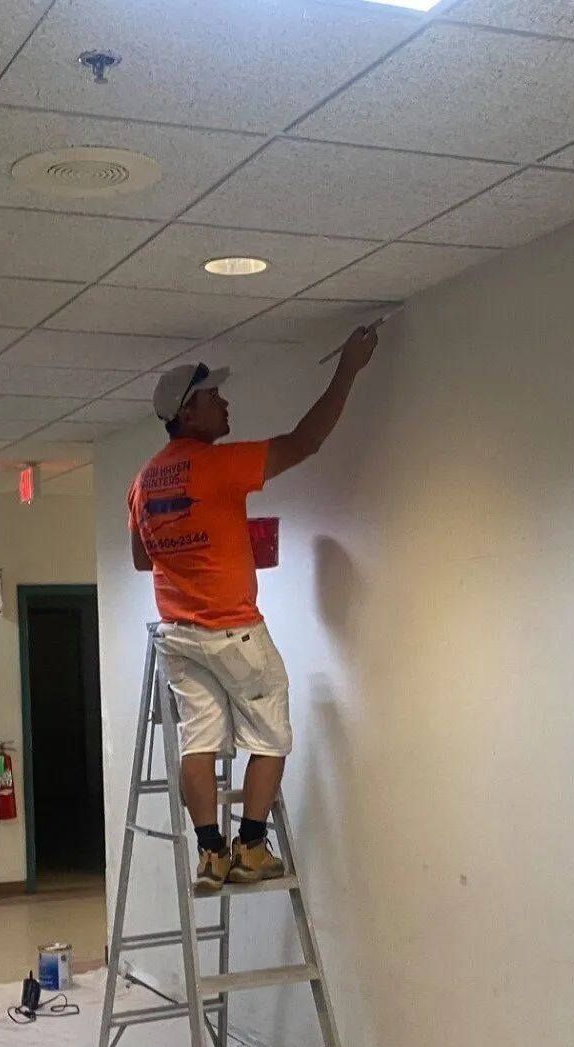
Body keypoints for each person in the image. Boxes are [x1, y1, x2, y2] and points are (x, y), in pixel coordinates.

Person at [129, 326, 381, 895]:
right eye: (213, 398)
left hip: (178, 634)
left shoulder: (143, 482)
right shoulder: (217, 465)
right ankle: (251, 847)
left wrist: (199, 543)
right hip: (233, 630)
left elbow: (144, 560)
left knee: (199, 741)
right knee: (269, 738)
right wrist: (347, 370)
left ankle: (210, 854)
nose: (225, 403)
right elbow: (304, 443)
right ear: (188, 413)